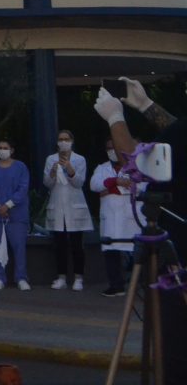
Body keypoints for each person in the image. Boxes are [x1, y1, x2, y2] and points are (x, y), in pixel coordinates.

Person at [93, 76, 187, 374]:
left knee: (174, 351)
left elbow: (135, 162)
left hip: (178, 263)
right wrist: (145, 105)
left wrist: (115, 117)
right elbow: (177, 133)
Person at [90, 138, 145, 297]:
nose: (111, 151)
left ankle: (141, 286)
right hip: (110, 215)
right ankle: (116, 286)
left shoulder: (139, 166)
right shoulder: (102, 168)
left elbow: (140, 187)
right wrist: (116, 181)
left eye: (114, 147)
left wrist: (110, 189)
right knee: (111, 250)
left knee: (137, 250)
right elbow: (94, 185)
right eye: (108, 148)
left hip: (131, 217)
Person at [44, 129, 93, 290]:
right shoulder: (51, 159)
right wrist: (52, 173)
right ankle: (61, 277)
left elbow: (79, 183)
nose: (63, 142)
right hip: (57, 205)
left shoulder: (80, 159)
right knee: (59, 245)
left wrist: (70, 170)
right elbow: (47, 183)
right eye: (60, 139)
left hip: (74, 206)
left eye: (66, 139)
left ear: (72, 141)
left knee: (76, 244)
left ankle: (79, 278)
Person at [0, 139, 30, 290]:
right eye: (0, 147)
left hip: (17, 215)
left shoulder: (20, 167)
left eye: (5, 147)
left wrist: (8, 205)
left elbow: (23, 188)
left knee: (19, 247)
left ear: (12, 150)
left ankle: (21, 278)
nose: (2, 150)